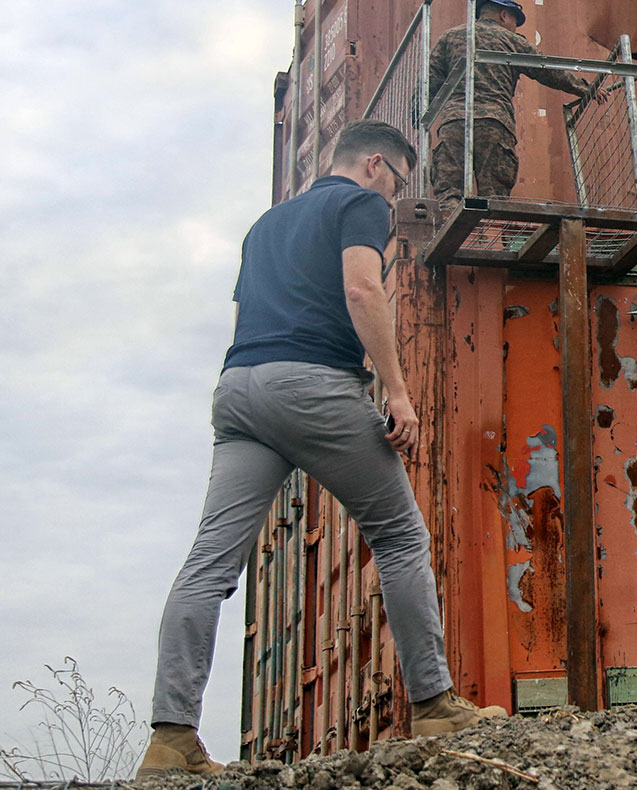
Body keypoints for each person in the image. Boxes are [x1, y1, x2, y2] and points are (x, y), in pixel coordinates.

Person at [139, 121, 502, 778]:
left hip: (240, 391)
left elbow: (256, 310)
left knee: (208, 567)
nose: (394, 200)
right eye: (396, 182)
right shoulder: (360, 204)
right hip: (312, 386)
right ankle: (436, 704)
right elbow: (362, 288)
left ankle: (171, 738)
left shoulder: (265, 226)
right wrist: (396, 391)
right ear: (374, 165)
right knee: (399, 538)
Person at [426, 0, 590, 202]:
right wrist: (585, 88)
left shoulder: (450, 36)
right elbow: (548, 71)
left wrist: (419, 116)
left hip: (454, 122)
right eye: (515, 20)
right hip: (494, 124)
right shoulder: (512, 41)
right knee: (495, 198)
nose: (515, 27)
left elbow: (430, 81)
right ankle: (495, 229)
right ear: (504, 15)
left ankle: (449, 220)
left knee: (448, 195)